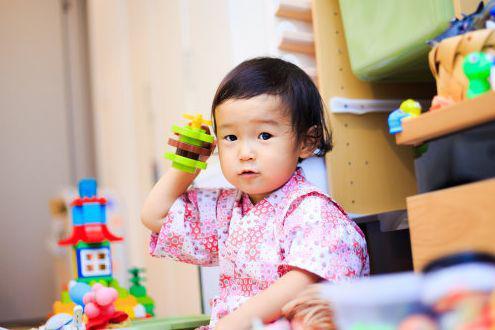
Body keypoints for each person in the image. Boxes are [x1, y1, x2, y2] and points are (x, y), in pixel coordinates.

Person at [141, 57, 369, 329]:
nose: (244, 153)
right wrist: (188, 162)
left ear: (307, 142)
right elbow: (155, 215)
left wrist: (228, 326)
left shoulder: (314, 211)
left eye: (264, 136)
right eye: (231, 138)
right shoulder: (226, 210)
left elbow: (299, 283)